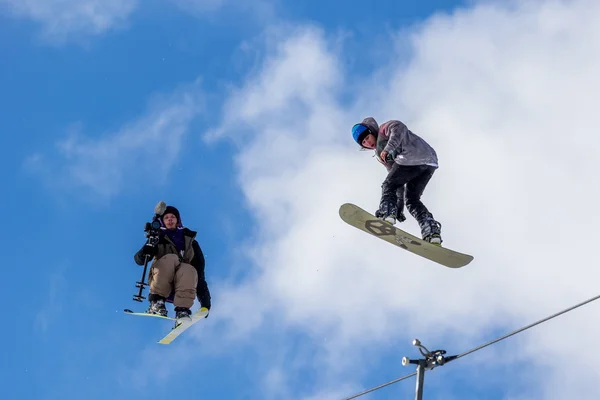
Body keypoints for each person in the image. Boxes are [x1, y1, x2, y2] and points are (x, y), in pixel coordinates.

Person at [351, 116, 443, 245]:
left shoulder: (383, 130)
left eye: (367, 138)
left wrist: (389, 148)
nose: (367, 143)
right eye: (364, 143)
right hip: (428, 163)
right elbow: (396, 180)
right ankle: (431, 231)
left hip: (413, 156)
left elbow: (399, 128)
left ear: (372, 132)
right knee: (412, 200)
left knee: (387, 185)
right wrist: (399, 205)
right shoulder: (380, 153)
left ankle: (386, 213)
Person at [134, 204, 211, 319]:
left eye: (172, 217)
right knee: (171, 259)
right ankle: (157, 302)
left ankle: (182, 311)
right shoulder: (158, 237)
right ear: (162, 221)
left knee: (189, 269)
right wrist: (146, 249)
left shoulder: (191, 243)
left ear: (178, 220)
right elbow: (139, 260)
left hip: (181, 285)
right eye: (166, 217)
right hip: (160, 279)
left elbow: (199, 273)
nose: (170, 219)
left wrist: (205, 302)